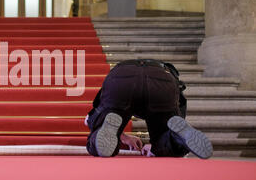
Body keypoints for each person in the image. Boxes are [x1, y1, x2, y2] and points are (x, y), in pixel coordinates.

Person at [85, 59, 213, 159]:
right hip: (162, 79)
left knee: (99, 131)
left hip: (121, 77)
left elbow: (89, 119)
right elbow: (177, 119)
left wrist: (121, 136)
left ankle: (98, 137)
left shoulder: (120, 73)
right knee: (167, 139)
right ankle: (171, 138)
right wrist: (155, 147)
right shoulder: (171, 78)